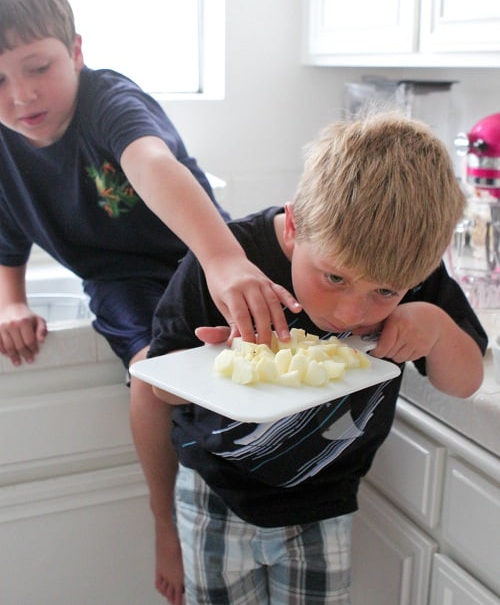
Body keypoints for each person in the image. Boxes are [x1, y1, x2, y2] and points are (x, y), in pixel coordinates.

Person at [0, 0, 300, 603]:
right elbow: (7, 237)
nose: (20, 95)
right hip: (121, 284)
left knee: (274, 361)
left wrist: (222, 259)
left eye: (36, 66)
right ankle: (169, 524)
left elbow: (152, 161)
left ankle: (283, 509)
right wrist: (12, 301)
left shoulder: (108, 99)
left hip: (203, 250)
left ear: (76, 53)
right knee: (156, 380)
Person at [148, 112, 488, 605]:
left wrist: (434, 324)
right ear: (295, 228)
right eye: (334, 278)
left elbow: (465, 381)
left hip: (324, 503)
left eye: (385, 292)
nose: (352, 311)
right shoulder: (232, 263)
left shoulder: (412, 271)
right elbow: (159, 386)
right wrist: (216, 360)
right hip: (214, 495)